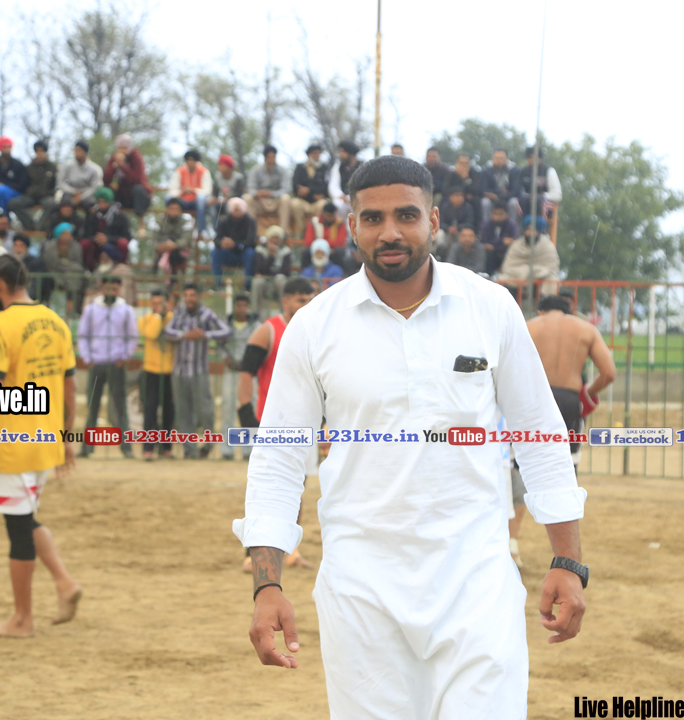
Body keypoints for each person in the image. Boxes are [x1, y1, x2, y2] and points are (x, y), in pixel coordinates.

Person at [234, 156, 587, 716]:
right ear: (352, 227)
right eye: (373, 219)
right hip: (360, 591)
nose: (390, 233)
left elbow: (540, 436)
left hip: (477, 583)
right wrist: (266, 585)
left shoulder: (489, 307)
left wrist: (568, 562)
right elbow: (278, 460)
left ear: (434, 220)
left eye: (406, 215)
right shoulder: (315, 326)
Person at [0, 254, 82, 637]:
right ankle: (64, 583)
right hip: (45, 439)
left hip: (16, 441)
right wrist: (65, 436)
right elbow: (70, 386)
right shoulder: (56, 321)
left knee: (18, 528)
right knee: (24, 518)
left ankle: (22, 620)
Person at [513, 293, 616, 568]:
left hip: (533, 399)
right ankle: (566, 549)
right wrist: (587, 393)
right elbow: (609, 372)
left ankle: (512, 541)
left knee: (517, 467)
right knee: (566, 467)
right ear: (569, 311)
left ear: (541, 311)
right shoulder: (585, 329)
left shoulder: (528, 326)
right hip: (569, 400)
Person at [236, 276, 317, 571]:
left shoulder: (316, 331)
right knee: (266, 489)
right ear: (286, 301)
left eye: (311, 300)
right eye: (301, 300)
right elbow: (245, 373)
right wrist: (245, 412)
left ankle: (290, 550)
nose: (307, 306)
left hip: (306, 423)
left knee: (298, 488)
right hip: (272, 422)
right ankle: (253, 554)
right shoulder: (268, 330)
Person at [162, 282, 232, 459]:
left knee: (205, 411)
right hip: (179, 371)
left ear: (199, 297)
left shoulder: (207, 315)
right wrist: (183, 335)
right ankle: (189, 450)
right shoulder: (179, 313)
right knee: (182, 411)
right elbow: (167, 332)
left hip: (199, 370)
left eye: (192, 295)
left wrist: (205, 335)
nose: (189, 299)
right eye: (186, 296)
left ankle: (208, 444)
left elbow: (226, 331)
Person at [76, 276, 138, 459]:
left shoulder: (126, 310)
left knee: (120, 406)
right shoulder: (91, 309)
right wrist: (88, 357)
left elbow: (132, 336)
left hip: (116, 363)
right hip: (97, 363)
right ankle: (87, 448)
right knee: (92, 405)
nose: (111, 292)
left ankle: (126, 448)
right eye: (108, 288)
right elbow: (83, 335)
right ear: (102, 288)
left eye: (115, 289)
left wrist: (125, 356)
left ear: (119, 290)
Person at [139, 289, 176, 461]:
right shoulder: (145, 320)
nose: (157, 307)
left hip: (170, 371)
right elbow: (151, 333)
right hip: (151, 370)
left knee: (169, 411)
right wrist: (158, 317)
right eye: (154, 304)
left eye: (160, 304)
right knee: (150, 410)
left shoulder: (173, 319)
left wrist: (166, 316)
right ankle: (148, 448)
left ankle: (166, 447)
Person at [220, 292, 258, 458]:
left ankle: (249, 450)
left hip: (249, 373)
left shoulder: (256, 325)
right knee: (227, 408)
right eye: (238, 305)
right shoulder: (225, 325)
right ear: (234, 307)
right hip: (231, 371)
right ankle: (226, 450)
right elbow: (219, 345)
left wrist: (250, 362)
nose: (241, 309)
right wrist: (226, 357)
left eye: (244, 305)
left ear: (248, 307)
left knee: (249, 409)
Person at [498, 215, 560, 293]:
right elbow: (507, 267)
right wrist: (526, 272)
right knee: (501, 279)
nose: (530, 233)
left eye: (534, 230)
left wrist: (534, 272)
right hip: (516, 277)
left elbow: (551, 268)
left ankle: (544, 300)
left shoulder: (547, 246)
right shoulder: (516, 245)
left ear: (539, 231)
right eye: (528, 229)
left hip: (540, 278)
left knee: (552, 280)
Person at [103, 134, 152, 227]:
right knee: (107, 192)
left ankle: (141, 225)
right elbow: (106, 180)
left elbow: (136, 179)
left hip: (139, 197)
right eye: (120, 148)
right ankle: (110, 225)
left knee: (138, 189)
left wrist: (122, 166)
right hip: (124, 196)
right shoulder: (114, 158)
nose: (122, 151)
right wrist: (113, 167)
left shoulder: (136, 157)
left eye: (124, 148)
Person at [8, 140, 57, 231]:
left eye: (42, 151)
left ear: (45, 152)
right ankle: (29, 224)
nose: (40, 153)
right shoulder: (29, 168)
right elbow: (23, 184)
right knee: (13, 203)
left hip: (46, 196)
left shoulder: (52, 167)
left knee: (52, 204)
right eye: (37, 151)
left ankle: (40, 226)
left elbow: (55, 184)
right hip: (31, 196)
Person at [244, 145, 291, 236]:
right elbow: (250, 188)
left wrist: (271, 194)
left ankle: (283, 233)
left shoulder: (282, 171)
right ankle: (252, 233)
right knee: (247, 198)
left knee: (286, 198)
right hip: (261, 201)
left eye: (273, 157)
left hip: (276, 200)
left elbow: (286, 189)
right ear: (265, 158)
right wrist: (257, 193)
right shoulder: (255, 170)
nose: (271, 160)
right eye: (269, 157)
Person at [80, 187, 131, 271]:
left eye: (104, 201)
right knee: (84, 243)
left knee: (123, 243)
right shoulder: (92, 215)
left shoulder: (120, 216)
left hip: (113, 246)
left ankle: (119, 268)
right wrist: (97, 238)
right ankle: (89, 269)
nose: (102, 204)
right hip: (96, 245)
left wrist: (108, 239)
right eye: (99, 201)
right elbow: (85, 234)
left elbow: (127, 236)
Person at [42, 223, 87, 316]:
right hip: (54, 273)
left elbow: (78, 264)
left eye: (69, 234)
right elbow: (51, 264)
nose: (67, 237)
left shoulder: (76, 246)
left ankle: (74, 310)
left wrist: (65, 266)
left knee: (77, 279)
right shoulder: (50, 247)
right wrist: (66, 265)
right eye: (64, 234)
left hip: (72, 273)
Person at [0, 136, 29, 224]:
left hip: (13, 192)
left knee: (2, 190)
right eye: (5, 147)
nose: (7, 149)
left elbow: (22, 184)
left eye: (9, 147)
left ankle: (6, 221)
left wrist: (5, 185)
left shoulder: (17, 164)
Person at [212, 196, 258, 285]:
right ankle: (218, 283)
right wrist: (222, 243)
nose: (237, 212)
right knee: (215, 252)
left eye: (239, 209)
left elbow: (251, 241)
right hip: (229, 253)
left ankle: (248, 284)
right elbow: (216, 239)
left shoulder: (250, 221)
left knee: (250, 253)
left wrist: (235, 244)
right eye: (234, 209)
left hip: (243, 253)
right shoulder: (224, 221)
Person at [167, 149, 212, 236]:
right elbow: (172, 190)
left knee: (201, 199)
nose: (190, 162)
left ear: (197, 161)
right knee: (169, 199)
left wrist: (193, 190)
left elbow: (207, 191)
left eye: (192, 160)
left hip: (197, 202)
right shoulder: (179, 171)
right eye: (188, 160)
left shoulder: (204, 172)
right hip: (183, 201)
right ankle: (170, 228)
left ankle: (201, 230)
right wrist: (182, 192)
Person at [250, 226, 292, 316]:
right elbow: (259, 269)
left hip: (277, 282)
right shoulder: (260, 250)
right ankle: (255, 314)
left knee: (281, 280)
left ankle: (284, 313)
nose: (275, 241)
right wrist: (271, 256)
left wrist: (268, 273)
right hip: (264, 283)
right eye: (273, 238)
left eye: (277, 238)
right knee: (257, 281)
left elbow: (285, 272)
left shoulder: (286, 251)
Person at [289, 144, 329, 238]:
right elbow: (295, 186)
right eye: (314, 153)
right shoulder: (300, 168)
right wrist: (303, 192)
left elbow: (325, 187)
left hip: (317, 202)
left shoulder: (323, 168)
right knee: (295, 203)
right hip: (303, 201)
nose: (317, 156)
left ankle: (316, 231)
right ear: (309, 155)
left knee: (323, 204)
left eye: (318, 154)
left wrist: (309, 190)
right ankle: (299, 230)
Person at [512, 146, 562, 221]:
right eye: (530, 157)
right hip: (527, 203)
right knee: (515, 203)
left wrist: (540, 196)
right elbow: (519, 191)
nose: (532, 159)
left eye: (535, 157)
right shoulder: (523, 172)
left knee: (538, 201)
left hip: (545, 202)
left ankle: (540, 226)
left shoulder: (549, 171)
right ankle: (523, 226)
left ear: (540, 158)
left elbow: (557, 195)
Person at [57, 140, 103, 213]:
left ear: (85, 152)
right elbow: (61, 182)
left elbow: (95, 187)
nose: (76, 153)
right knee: (64, 205)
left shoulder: (95, 169)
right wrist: (73, 191)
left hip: (87, 196)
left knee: (92, 208)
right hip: (70, 194)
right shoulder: (67, 166)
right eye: (75, 150)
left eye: (79, 150)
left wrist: (81, 197)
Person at [479, 149, 521, 224]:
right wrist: (501, 192)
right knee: (485, 202)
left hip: (508, 198)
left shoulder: (514, 171)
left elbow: (516, 191)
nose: (499, 161)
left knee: (514, 202)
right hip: (492, 199)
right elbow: (484, 189)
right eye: (496, 158)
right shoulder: (486, 171)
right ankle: (486, 226)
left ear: (506, 159)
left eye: (501, 158)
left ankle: (513, 226)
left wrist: (498, 196)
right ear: (492, 159)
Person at [301, 202, 348, 268]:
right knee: (306, 252)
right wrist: (323, 247)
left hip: (332, 251)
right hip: (316, 250)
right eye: (328, 216)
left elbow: (340, 242)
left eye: (332, 216)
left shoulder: (340, 223)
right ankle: (306, 273)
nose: (330, 218)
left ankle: (338, 272)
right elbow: (308, 242)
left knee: (340, 251)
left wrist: (320, 242)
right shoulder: (314, 223)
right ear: (323, 213)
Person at [479, 200, 519, 276]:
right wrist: (502, 241)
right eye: (495, 214)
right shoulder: (486, 224)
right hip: (490, 255)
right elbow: (484, 243)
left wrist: (494, 246)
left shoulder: (512, 225)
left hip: (506, 253)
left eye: (501, 214)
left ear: (507, 215)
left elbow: (513, 242)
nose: (497, 217)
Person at [327, 140, 363, 223]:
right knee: (337, 206)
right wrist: (341, 195)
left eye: (343, 152)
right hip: (342, 200)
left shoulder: (362, 166)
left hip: (358, 199)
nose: (341, 154)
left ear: (351, 153)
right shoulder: (338, 167)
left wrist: (353, 197)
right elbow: (333, 185)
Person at [154, 198, 192, 276]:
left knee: (172, 254)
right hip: (162, 250)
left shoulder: (186, 222)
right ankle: (157, 275)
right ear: (167, 209)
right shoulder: (159, 221)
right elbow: (154, 239)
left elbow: (185, 240)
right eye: (172, 209)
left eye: (176, 209)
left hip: (179, 253)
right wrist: (162, 246)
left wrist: (173, 245)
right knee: (164, 253)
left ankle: (171, 277)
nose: (174, 211)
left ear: (180, 210)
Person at [435, 188, 474, 258]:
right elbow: (440, 222)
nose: (459, 198)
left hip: (460, 232)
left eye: (461, 196)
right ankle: (440, 254)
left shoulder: (468, 207)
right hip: (447, 231)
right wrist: (448, 228)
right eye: (456, 195)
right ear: (451, 197)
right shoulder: (445, 207)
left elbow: (470, 223)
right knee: (439, 234)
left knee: (467, 234)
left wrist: (458, 228)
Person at [11, 234, 49, 303]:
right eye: (15, 245)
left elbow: (36, 285)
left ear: (27, 247)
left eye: (21, 245)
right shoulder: (9, 262)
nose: (18, 248)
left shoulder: (36, 263)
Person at [210, 154, 247, 226]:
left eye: (221, 165)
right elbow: (215, 193)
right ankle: (216, 229)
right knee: (212, 208)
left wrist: (228, 199)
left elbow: (239, 194)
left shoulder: (238, 178)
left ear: (228, 166)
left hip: (235, 202)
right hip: (221, 202)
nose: (219, 167)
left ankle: (231, 228)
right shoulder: (217, 177)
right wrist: (214, 198)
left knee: (230, 207)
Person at [444, 153, 482, 219]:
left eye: (466, 163)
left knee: (476, 201)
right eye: (461, 163)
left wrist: (464, 179)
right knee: (443, 200)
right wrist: (456, 195)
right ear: (457, 163)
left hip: (468, 197)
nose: (463, 166)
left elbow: (476, 189)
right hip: (453, 197)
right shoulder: (451, 174)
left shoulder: (475, 173)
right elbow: (445, 188)